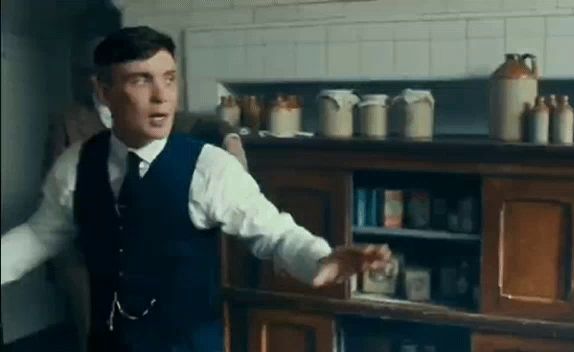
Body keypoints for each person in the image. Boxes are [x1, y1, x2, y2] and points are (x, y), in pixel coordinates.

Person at [1, 26, 392, 352]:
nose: (162, 96)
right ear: (104, 92)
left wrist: (322, 260)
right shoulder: (76, 164)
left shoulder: (210, 167)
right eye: (141, 80)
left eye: (169, 79)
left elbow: (275, 233)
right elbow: (40, 233)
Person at [46, 58, 250, 352]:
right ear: (98, 85)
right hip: (89, 251)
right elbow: (55, 185)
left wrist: (231, 139)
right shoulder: (68, 119)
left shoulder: (150, 113)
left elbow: (207, 121)